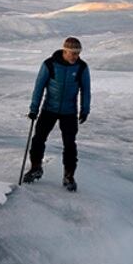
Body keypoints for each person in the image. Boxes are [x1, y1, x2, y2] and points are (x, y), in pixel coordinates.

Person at [24, 37, 90, 190]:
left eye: (78, 53)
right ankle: (35, 168)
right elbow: (39, 87)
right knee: (38, 139)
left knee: (69, 145)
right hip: (49, 109)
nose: (75, 56)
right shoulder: (49, 64)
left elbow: (86, 90)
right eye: (72, 53)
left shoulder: (81, 67)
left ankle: (69, 176)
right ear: (64, 51)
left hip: (69, 112)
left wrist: (84, 110)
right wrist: (34, 109)